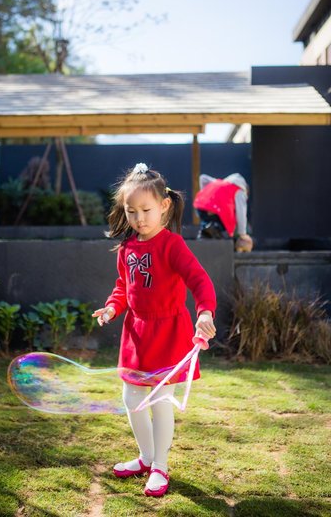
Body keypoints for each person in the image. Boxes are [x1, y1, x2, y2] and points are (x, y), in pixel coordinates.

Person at [92, 163, 216, 497]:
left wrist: (205, 312)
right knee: (131, 397)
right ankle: (146, 457)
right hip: (137, 333)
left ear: (164, 206)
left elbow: (199, 280)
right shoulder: (126, 248)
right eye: (131, 211)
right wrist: (112, 307)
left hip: (169, 332)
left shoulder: (172, 245)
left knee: (160, 401)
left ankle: (160, 465)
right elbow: (123, 287)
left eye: (146, 210)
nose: (139, 218)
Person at [193, 173, 253, 252]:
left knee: (206, 225)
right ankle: (214, 228)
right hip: (216, 210)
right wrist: (242, 234)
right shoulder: (240, 190)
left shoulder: (219, 182)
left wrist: (207, 198)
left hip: (200, 206)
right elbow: (241, 212)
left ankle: (204, 233)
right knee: (229, 219)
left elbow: (202, 178)